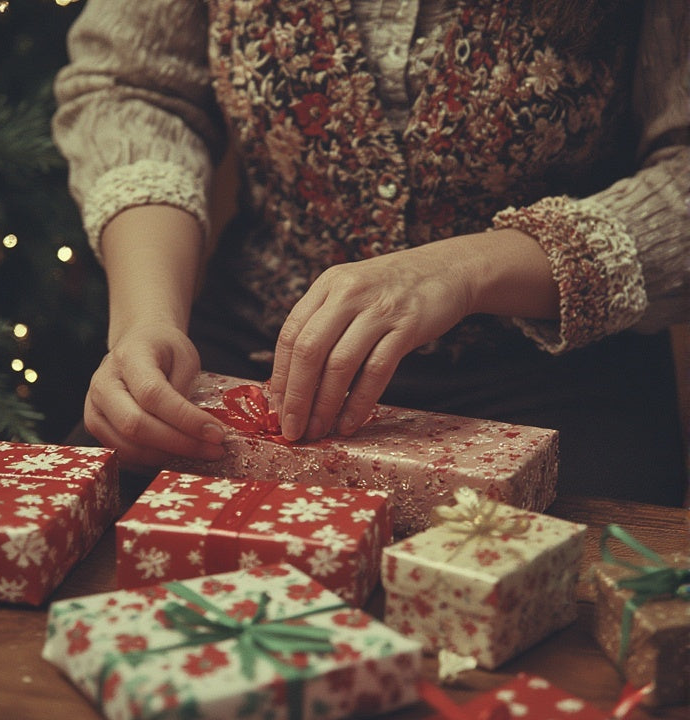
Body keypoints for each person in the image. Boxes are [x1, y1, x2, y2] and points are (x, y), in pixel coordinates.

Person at [53, 0, 689, 505]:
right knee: (96, 537)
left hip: (554, 380)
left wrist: (468, 269)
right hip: (249, 352)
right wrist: (147, 322)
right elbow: (136, 91)